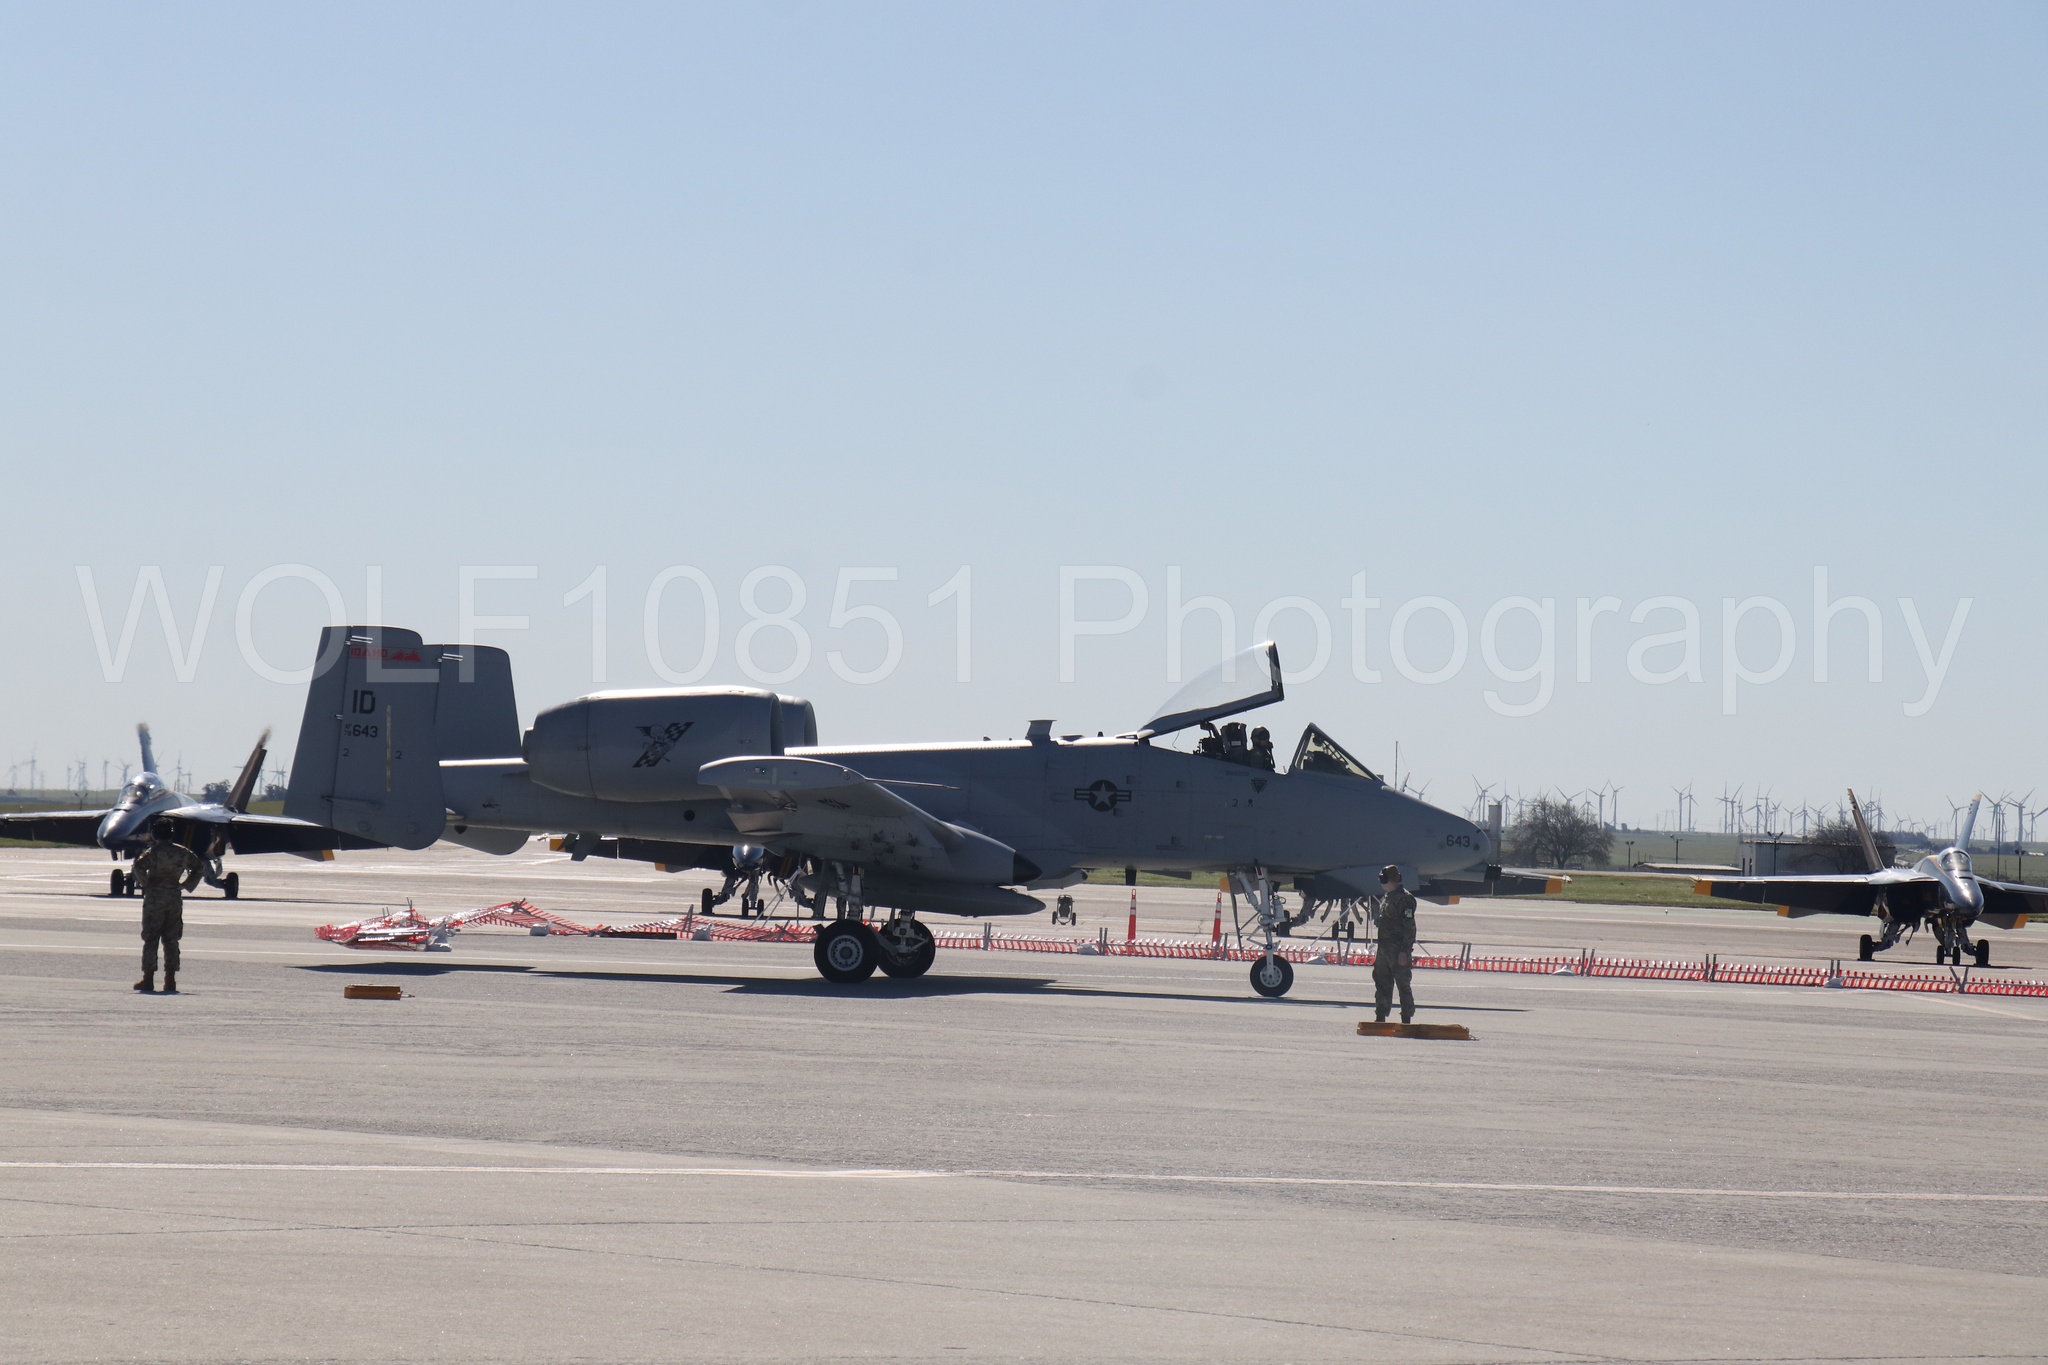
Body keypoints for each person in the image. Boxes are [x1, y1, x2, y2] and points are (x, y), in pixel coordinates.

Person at [131, 819, 202, 994]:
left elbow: (138, 867)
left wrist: (147, 884)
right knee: (171, 939)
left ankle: (148, 979)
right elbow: (198, 868)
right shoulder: (182, 852)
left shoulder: (152, 853)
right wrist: (185, 884)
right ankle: (170, 980)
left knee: (151, 938)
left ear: (155, 834)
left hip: (155, 898)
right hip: (173, 897)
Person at [1372, 864, 1417, 1024]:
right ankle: (1380, 1015)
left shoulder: (1405, 899)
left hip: (1398, 950)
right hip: (1384, 949)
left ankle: (1406, 1017)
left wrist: (1404, 951)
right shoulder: (1387, 897)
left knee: (1403, 984)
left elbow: (1410, 926)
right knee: (1381, 981)